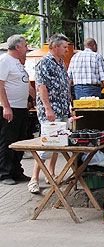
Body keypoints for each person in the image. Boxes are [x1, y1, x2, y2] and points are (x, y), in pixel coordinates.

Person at [28, 34, 71, 194]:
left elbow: (64, 85)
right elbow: (42, 87)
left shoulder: (61, 63)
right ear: (55, 47)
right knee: (47, 143)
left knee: (58, 143)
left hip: (62, 108)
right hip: (51, 110)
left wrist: (68, 103)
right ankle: (34, 178)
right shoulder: (44, 62)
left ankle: (51, 173)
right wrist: (48, 108)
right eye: (64, 47)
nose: (67, 50)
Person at [0, 34, 31, 185]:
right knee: (8, 140)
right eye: (25, 46)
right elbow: (0, 85)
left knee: (20, 139)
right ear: (17, 47)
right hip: (10, 107)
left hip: (21, 107)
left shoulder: (17, 62)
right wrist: (6, 106)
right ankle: (4, 173)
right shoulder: (5, 60)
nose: (27, 48)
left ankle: (16, 170)